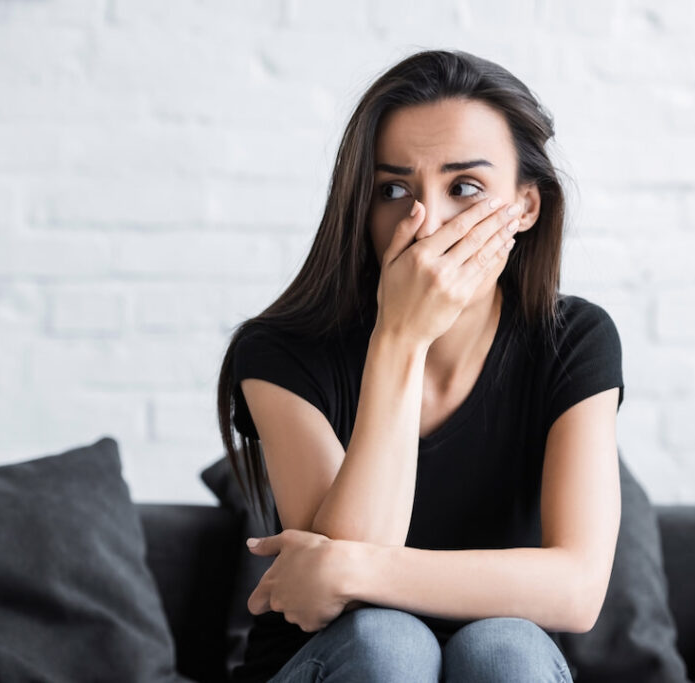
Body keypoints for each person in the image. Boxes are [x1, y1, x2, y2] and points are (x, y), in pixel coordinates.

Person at [215, 48, 624, 683]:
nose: (426, 221)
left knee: (504, 648)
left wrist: (349, 566)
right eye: (393, 190)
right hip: (334, 664)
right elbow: (336, 609)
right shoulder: (278, 350)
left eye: (465, 187)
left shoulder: (574, 339)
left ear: (526, 207)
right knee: (388, 643)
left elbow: (577, 591)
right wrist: (400, 340)